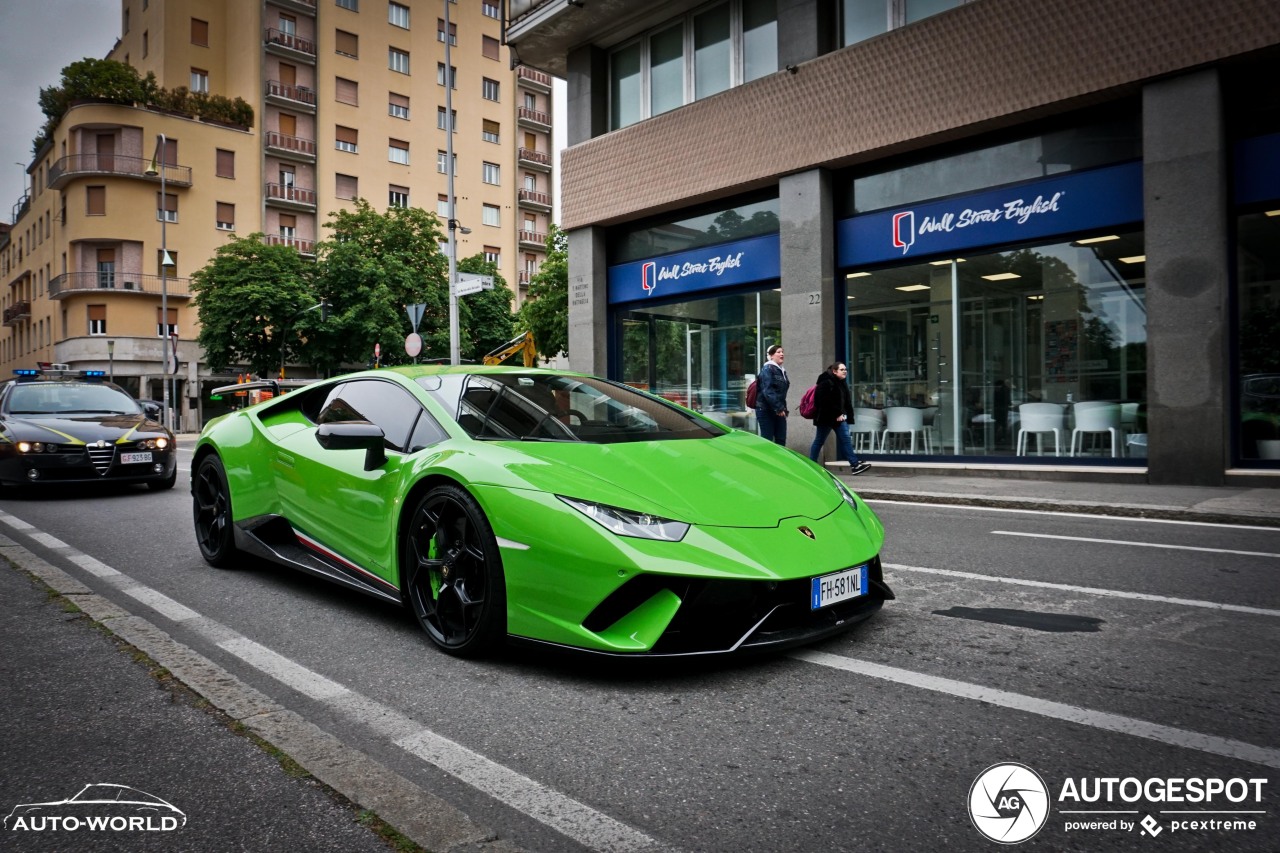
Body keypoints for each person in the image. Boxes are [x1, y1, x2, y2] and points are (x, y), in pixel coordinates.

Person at [808, 362, 872, 475]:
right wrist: (837, 413)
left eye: (845, 369)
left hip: (839, 418)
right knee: (819, 441)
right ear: (834, 371)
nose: (845, 371)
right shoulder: (825, 382)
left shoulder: (842, 382)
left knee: (846, 439)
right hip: (825, 418)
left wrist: (848, 416)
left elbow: (846, 401)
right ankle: (811, 464)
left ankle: (855, 465)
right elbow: (823, 401)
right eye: (842, 369)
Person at [755, 344, 789, 445]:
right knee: (768, 441)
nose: (782, 354)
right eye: (778, 352)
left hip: (779, 410)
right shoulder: (768, 369)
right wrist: (778, 407)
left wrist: (782, 408)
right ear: (771, 356)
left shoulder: (782, 371)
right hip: (766, 410)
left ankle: (781, 461)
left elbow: (780, 393)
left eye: (782, 352)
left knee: (781, 440)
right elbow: (767, 391)